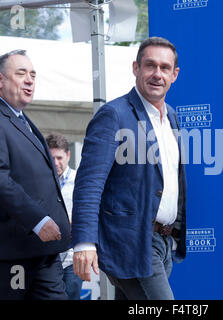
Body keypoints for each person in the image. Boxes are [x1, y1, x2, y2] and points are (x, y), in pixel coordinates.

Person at [72, 37, 187, 300]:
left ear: (174, 75)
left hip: (164, 243)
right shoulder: (114, 114)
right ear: (135, 68)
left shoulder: (171, 116)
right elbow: (89, 183)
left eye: (165, 68)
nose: (157, 74)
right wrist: (85, 242)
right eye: (150, 65)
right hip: (132, 242)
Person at [0, 50, 70, 300]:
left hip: (42, 252)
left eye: (33, 74)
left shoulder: (24, 121)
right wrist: (38, 220)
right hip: (8, 254)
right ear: (0, 80)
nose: (30, 80)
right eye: (21, 73)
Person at [45, 133, 83, 300]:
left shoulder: (81, 181)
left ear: (68, 155)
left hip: (72, 256)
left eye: (59, 157)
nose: (56, 163)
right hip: (46, 256)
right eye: (51, 157)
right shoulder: (40, 182)